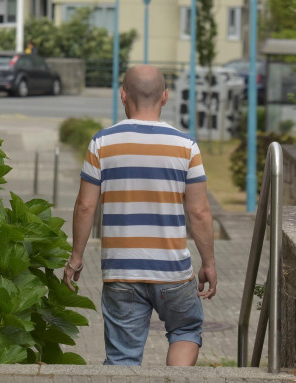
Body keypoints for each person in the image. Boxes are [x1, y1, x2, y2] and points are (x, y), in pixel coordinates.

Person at [63, 64, 217, 367]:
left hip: (122, 272)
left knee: (122, 358)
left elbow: (85, 206)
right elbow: (198, 211)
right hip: (173, 271)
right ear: (165, 97)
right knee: (185, 329)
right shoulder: (186, 146)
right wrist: (209, 262)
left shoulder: (102, 143)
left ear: (123, 95)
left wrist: (76, 257)